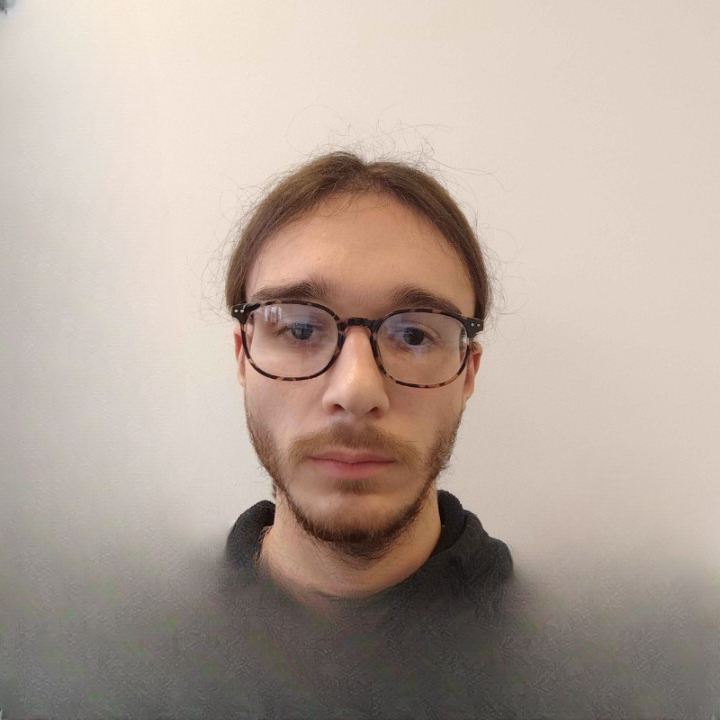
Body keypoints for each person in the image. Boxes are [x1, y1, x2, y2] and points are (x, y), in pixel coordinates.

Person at [217, 151, 515, 718]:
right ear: (242, 357)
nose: (356, 390)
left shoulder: (598, 661)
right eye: (299, 328)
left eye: (415, 336)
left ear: (467, 373)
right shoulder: (110, 645)